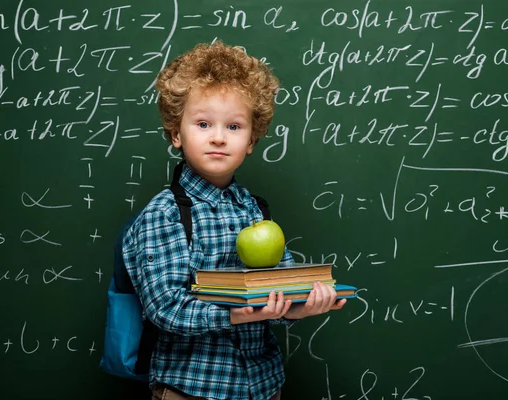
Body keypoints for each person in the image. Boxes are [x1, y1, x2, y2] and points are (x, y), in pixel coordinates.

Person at [122, 41, 347, 400]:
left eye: (234, 126)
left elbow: (277, 294)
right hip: (191, 389)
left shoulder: (254, 212)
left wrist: (304, 305)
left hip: (263, 387)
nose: (218, 136)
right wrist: (238, 314)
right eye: (203, 123)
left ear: (252, 139)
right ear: (177, 134)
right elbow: (166, 309)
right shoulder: (164, 214)